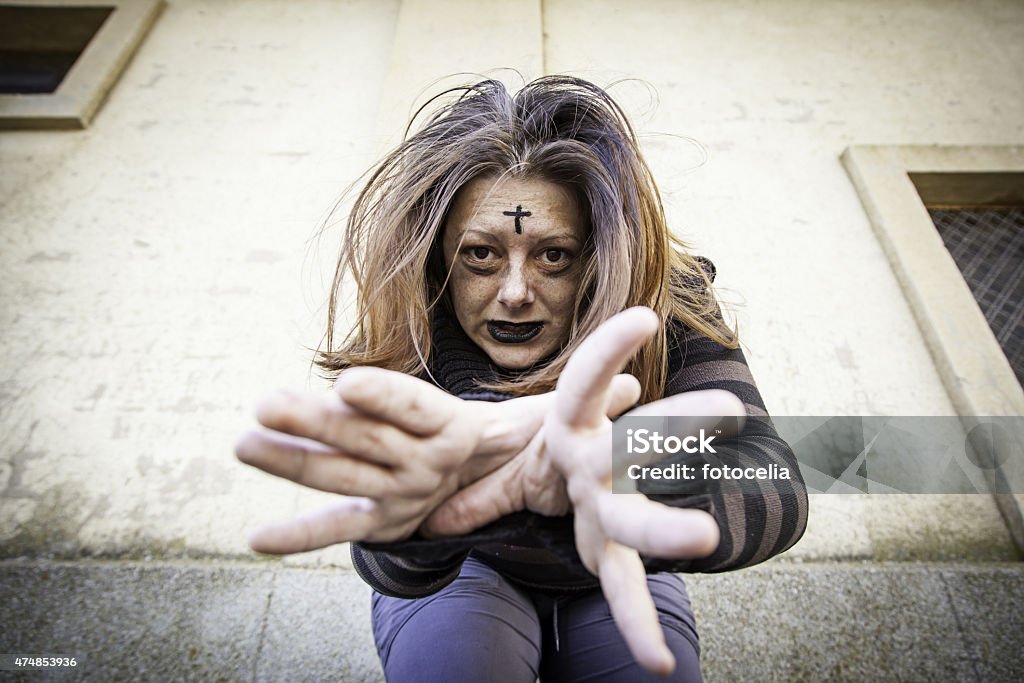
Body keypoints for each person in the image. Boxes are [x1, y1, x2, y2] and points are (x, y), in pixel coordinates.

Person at [236, 76, 808, 682]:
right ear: (439, 258)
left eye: (553, 255)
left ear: (599, 257)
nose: (514, 293)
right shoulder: (413, 315)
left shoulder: (669, 299)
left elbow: (775, 477)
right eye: (480, 254)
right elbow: (388, 569)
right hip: (466, 571)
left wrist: (627, 473)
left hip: (615, 567)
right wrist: (420, 527)